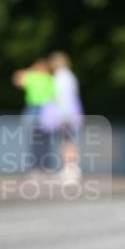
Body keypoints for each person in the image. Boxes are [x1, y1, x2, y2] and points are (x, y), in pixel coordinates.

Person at [44, 51, 85, 184]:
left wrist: (63, 116)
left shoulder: (61, 77)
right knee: (69, 141)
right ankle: (70, 168)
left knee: (67, 142)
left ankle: (71, 169)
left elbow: (62, 98)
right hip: (71, 112)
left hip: (66, 113)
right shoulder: (68, 76)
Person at [12, 58, 56, 171]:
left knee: (36, 141)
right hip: (43, 110)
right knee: (43, 141)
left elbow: (17, 78)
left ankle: (38, 166)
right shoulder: (49, 79)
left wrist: (30, 70)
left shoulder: (34, 77)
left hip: (38, 110)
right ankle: (43, 166)